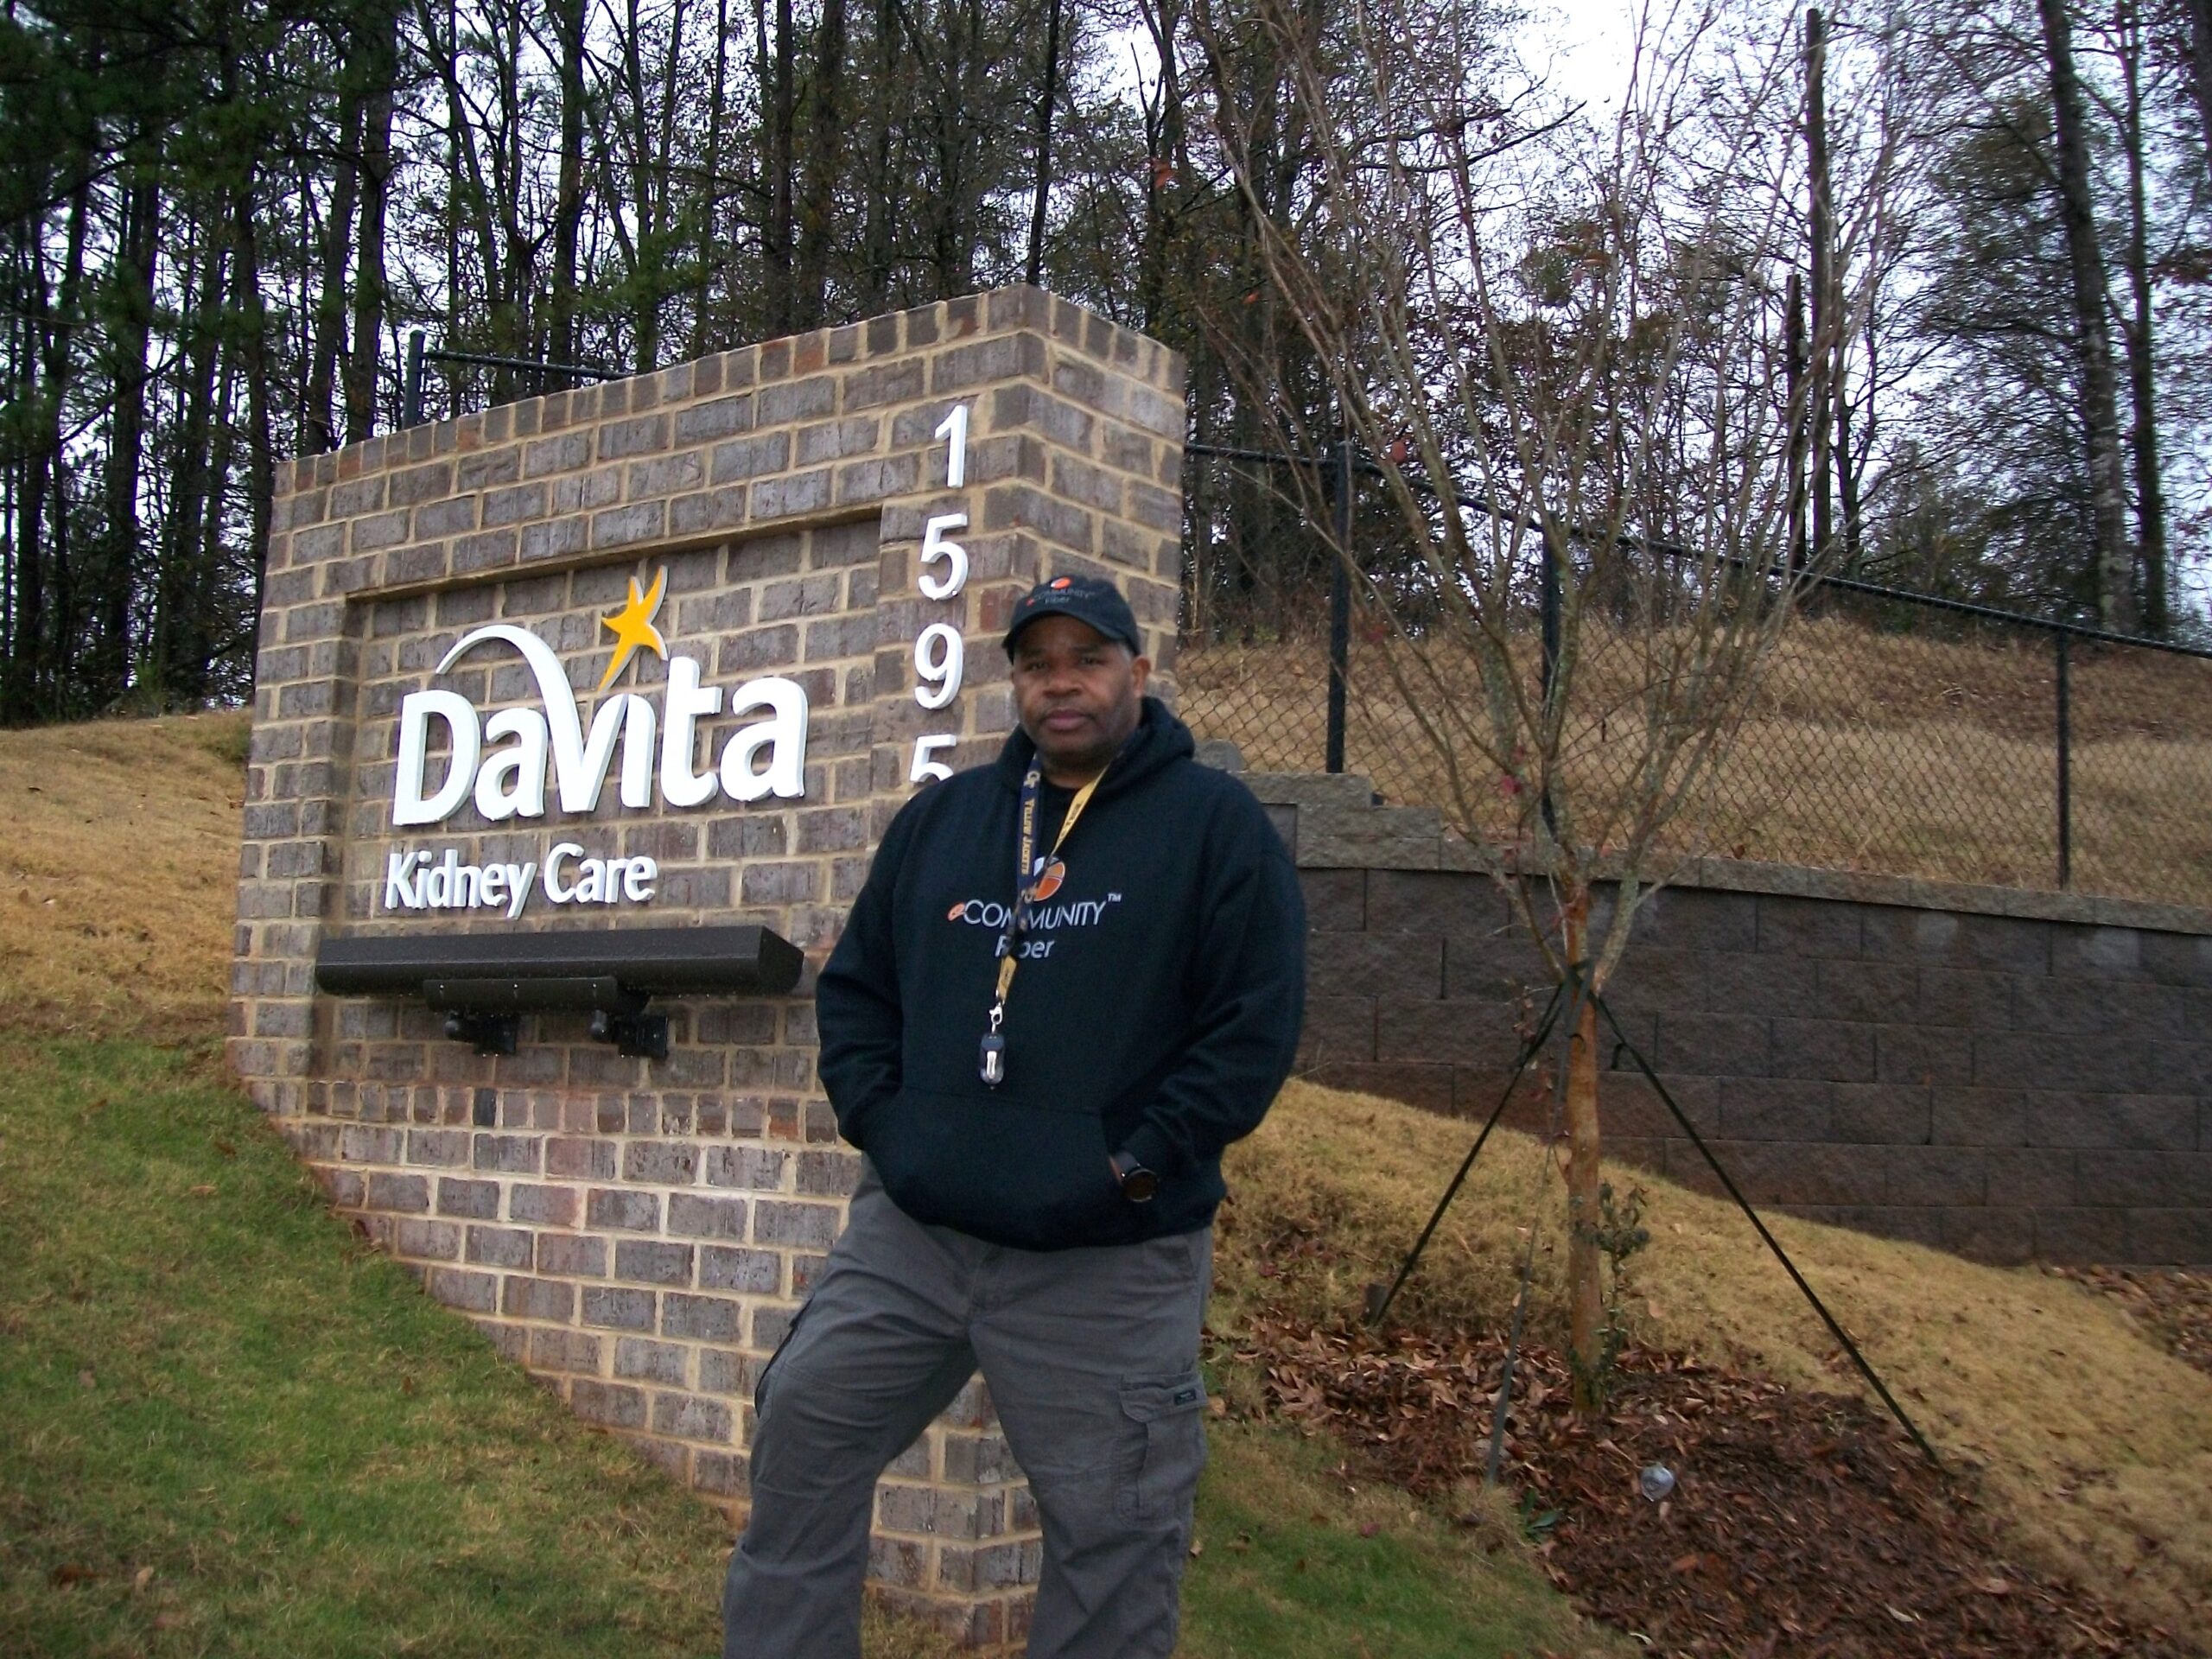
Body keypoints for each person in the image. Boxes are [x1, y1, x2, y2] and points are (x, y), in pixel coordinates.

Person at [722, 574, 1306, 1658]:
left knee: (1113, 1537)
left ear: (1137, 670)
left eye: (1087, 659)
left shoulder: (1214, 827)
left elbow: (1251, 1033)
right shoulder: (942, 820)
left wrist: (1132, 1167)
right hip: (916, 1238)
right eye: (1038, 664)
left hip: (1107, 1259)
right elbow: (857, 994)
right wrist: (892, 1136)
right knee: (802, 1436)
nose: (1061, 683)